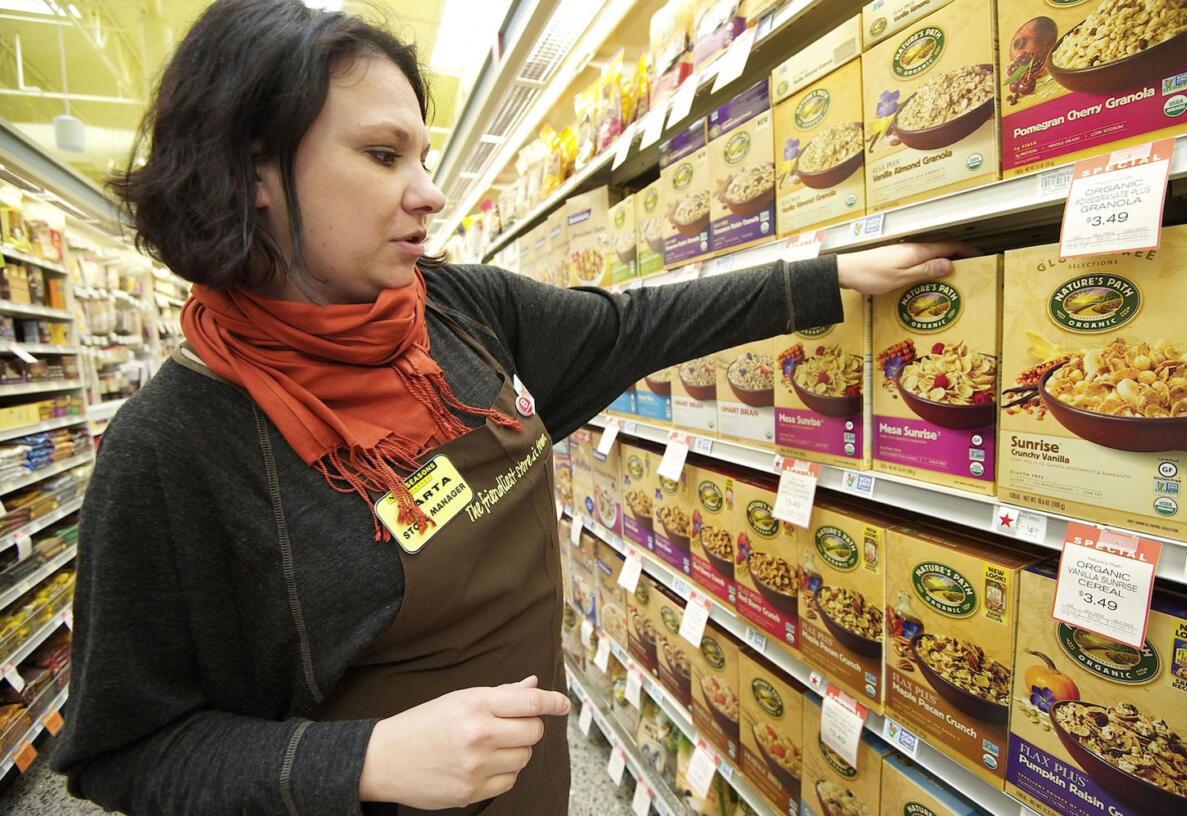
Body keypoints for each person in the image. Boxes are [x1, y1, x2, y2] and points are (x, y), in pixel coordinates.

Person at [52, 1, 974, 814]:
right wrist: (359, 760)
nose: (431, 192)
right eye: (383, 156)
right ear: (251, 173)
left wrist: (830, 277)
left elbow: (635, 325)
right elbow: (124, 752)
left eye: (423, 153)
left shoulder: (460, 312)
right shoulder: (173, 445)